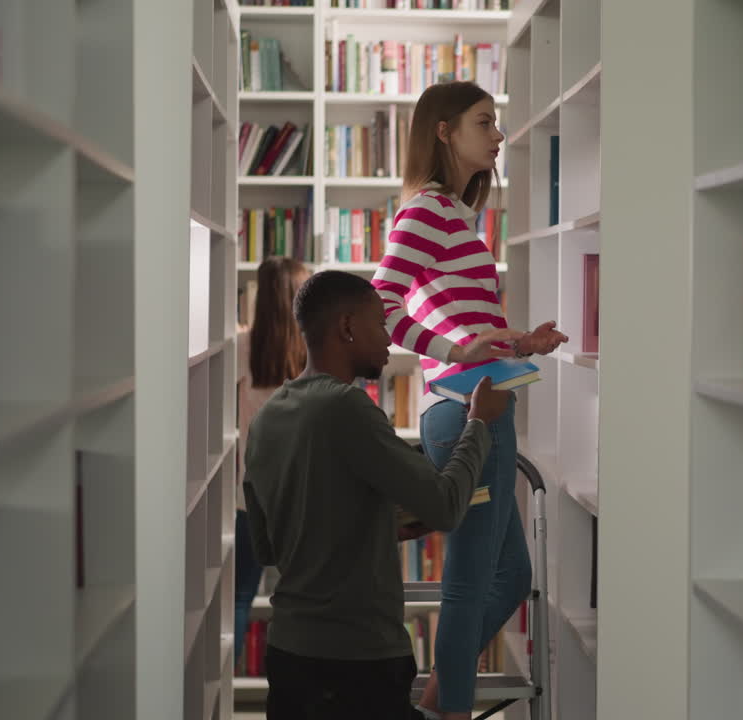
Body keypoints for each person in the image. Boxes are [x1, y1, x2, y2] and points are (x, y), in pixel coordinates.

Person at [370, 81, 569, 720]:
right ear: (444, 130)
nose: (499, 134)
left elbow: (462, 324)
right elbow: (380, 307)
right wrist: (457, 355)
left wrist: (518, 342)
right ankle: (448, 711)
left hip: (484, 403)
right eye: (485, 122)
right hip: (464, 414)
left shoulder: (457, 215)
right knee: (469, 583)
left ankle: (434, 704)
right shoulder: (426, 210)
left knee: (510, 578)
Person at [242, 270, 518, 720]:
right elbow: (446, 505)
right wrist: (478, 423)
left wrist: (374, 525)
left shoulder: (267, 418)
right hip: (358, 659)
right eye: (380, 323)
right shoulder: (347, 408)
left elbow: (270, 545)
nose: (390, 339)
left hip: (289, 654)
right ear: (347, 327)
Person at [235, 257, 310, 664]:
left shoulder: (242, 346)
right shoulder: (316, 351)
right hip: (304, 500)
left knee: (238, 600)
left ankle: (218, 692)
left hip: (251, 497)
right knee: (302, 607)